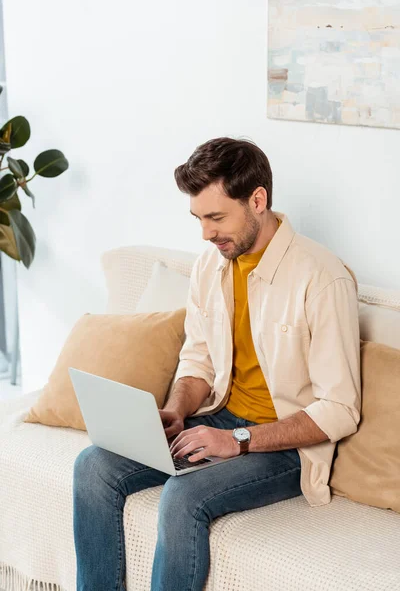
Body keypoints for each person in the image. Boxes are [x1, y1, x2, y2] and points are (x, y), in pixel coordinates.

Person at [73, 137, 361, 591]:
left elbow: (340, 409)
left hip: (285, 444)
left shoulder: (322, 279)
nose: (206, 233)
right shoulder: (213, 267)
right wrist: (177, 410)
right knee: (94, 466)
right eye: (199, 218)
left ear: (258, 200)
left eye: (216, 217)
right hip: (221, 417)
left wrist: (236, 440)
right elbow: (199, 358)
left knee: (183, 496)